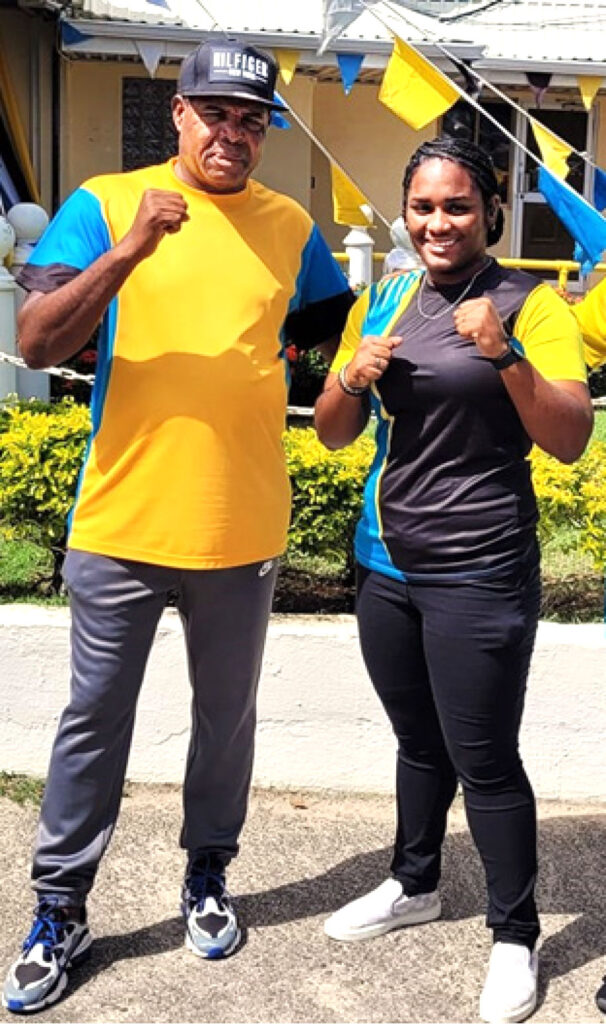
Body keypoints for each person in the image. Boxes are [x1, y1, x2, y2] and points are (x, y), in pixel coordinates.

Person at [2, 38, 353, 1014]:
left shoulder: (292, 226)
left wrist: (293, 372)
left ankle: (207, 875)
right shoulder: (107, 203)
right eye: (218, 114)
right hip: (120, 522)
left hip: (242, 531)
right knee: (91, 727)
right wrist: (131, 252)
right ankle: (58, 911)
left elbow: (321, 336)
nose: (235, 135)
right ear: (181, 114)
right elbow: (35, 339)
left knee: (225, 725)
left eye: (253, 121)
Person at [314, 136, 593, 1024]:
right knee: (418, 744)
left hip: (480, 568)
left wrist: (505, 353)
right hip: (385, 560)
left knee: (486, 759)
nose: (438, 223)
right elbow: (329, 430)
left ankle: (515, 934)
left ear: (491, 214)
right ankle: (414, 882)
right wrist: (353, 378)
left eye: (458, 206)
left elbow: (570, 438)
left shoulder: (531, 302)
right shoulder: (387, 295)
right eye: (424, 207)